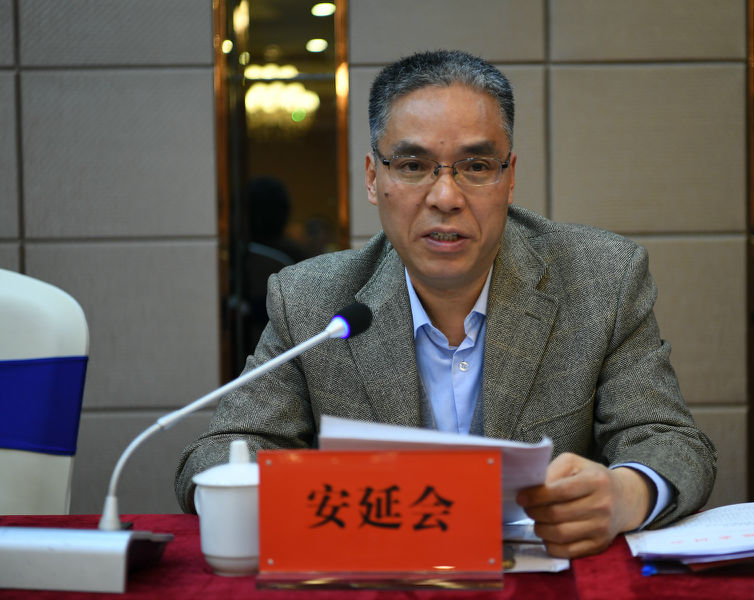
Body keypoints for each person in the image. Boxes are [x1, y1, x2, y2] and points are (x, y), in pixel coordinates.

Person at [176, 49, 716, 558]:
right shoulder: (311, 302)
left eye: (476, 166)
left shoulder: (601, 279)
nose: (445, 197)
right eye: (413, 166)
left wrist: (626, 494)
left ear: (509, 178)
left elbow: (670, 440)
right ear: (373, 178)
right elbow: (221, 452)